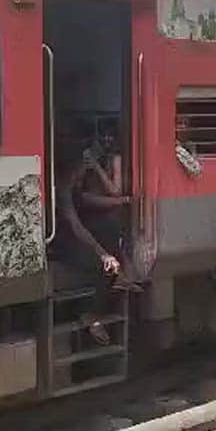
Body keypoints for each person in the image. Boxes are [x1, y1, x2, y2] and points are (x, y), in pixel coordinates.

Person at [55, 146, 141, 346]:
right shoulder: (62, 190)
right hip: (62, 242)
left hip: (73, 238)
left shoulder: (74, 186)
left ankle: (122, 275)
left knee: (108, 229)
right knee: (99, 265)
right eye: (80, 170)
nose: (82, 175)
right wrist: (103, 254)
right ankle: (90, 316)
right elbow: (76, 227)